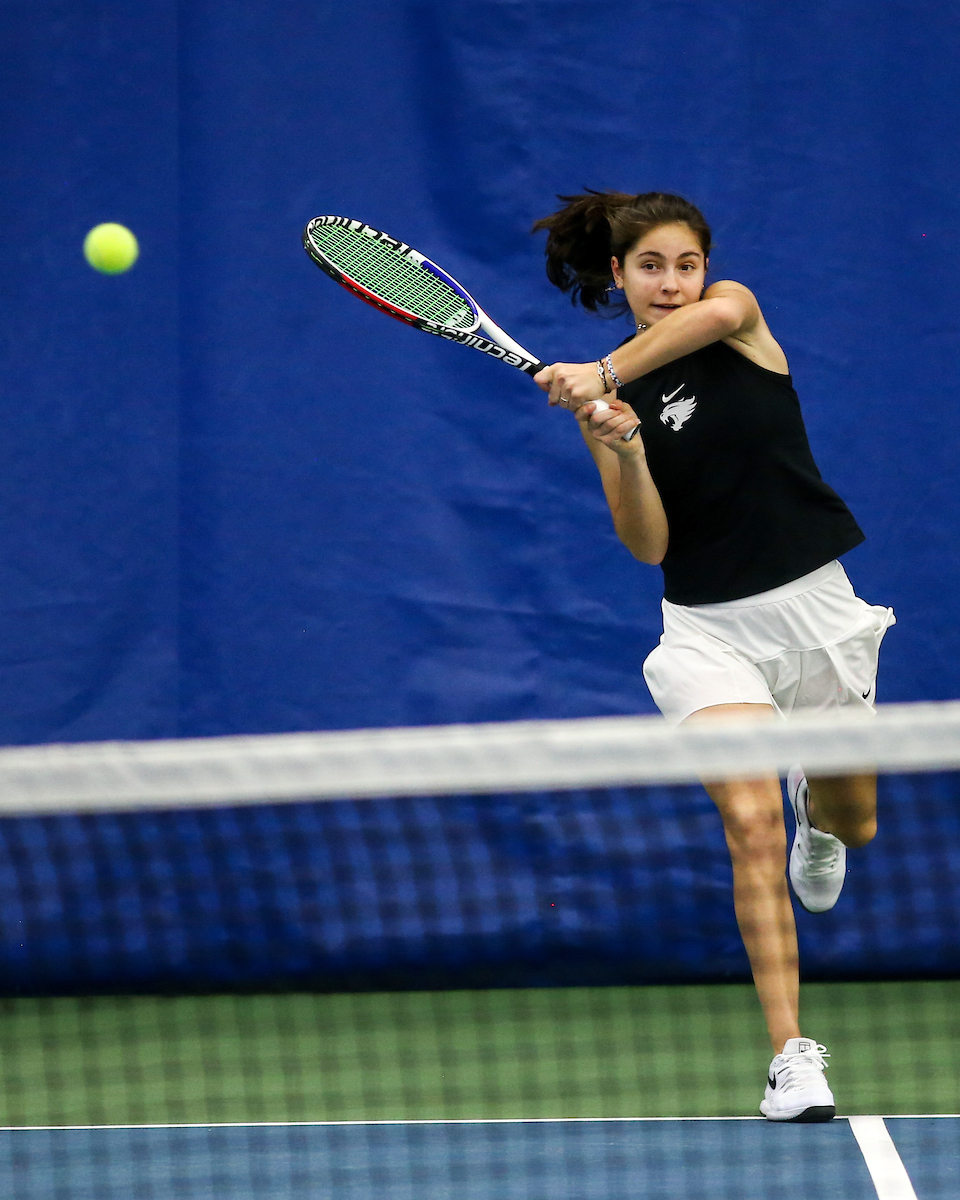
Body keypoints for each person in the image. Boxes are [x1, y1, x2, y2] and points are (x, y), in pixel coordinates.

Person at [531, 190, 895, 1123]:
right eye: (650, 267)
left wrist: (598, 369)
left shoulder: (735, 317)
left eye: (684, 265)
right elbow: (647, 544)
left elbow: (715, 317)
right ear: (619, 274)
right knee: (748, 821)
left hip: (818, 616)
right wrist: (623, 448)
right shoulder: (607, 401)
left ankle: (820, 812)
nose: (671, 283)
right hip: (708, 632)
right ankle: (791, 1057)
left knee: (855, 823)